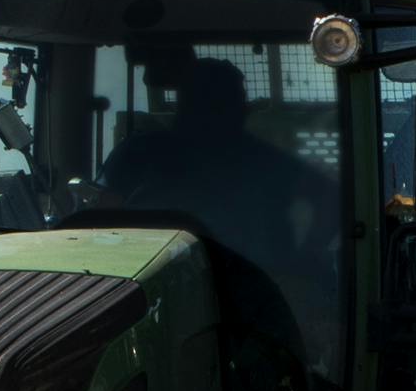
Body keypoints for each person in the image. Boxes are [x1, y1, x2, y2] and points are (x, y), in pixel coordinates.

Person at [101, 57, 338, 349]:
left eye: (226, 102)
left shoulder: (264, 160)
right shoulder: (140, 154)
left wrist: (298, 261)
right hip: (152, 293)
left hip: (252, 304)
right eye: (209, 101)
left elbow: (328, 197)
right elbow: (101, 215)